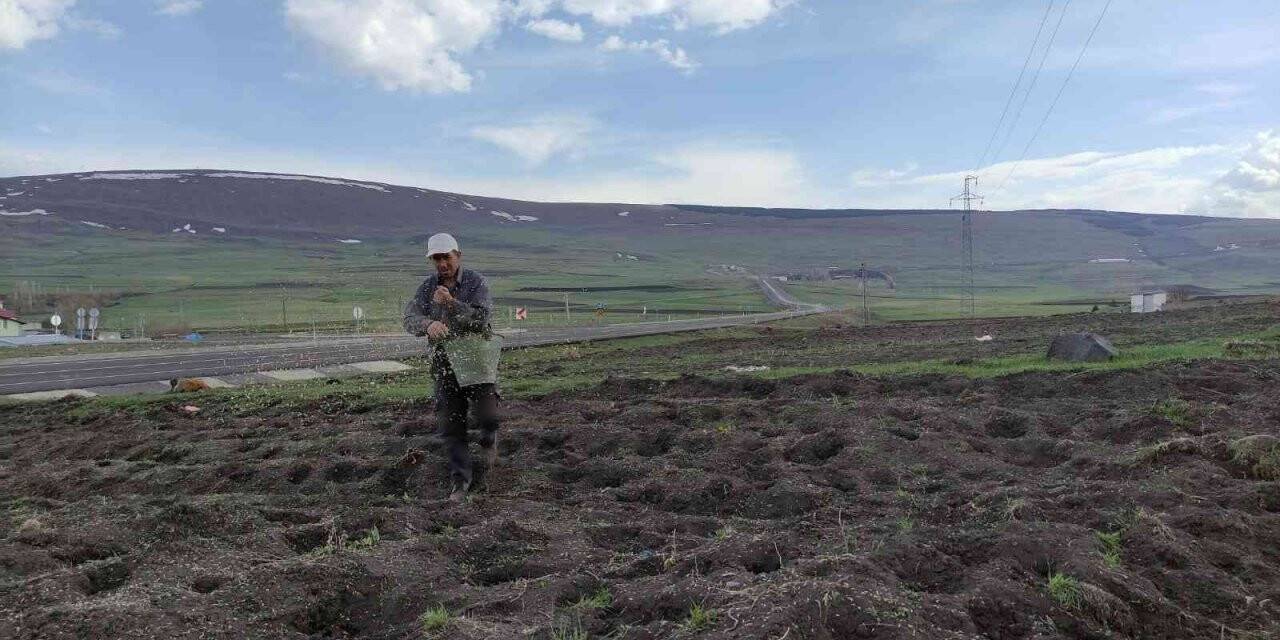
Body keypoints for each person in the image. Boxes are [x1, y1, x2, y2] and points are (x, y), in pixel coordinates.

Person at [402, 233, 499, 502]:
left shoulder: (475, 282)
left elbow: (481, 319)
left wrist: (451, 304)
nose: (442, 263)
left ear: (458, 255)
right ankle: (460, 483)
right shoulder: (426, 288)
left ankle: (489, 439)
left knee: (487, 417)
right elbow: (409, 318)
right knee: (451, 425)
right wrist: (428, 325)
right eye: (436, 258)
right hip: (443, 364)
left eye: (446, 257)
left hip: (476, 361)